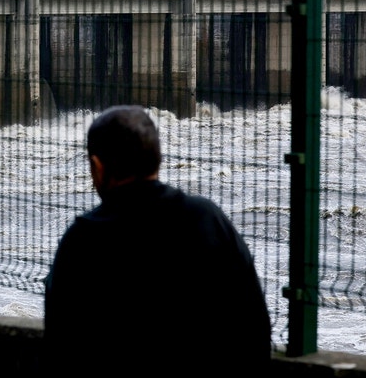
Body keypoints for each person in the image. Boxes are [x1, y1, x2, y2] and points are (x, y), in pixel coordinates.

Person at [44, 105, 272, 375]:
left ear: (97, 167)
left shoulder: (82, 239)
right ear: (157, 159)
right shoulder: (205, 218)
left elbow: (60, 346)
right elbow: (255, 326)